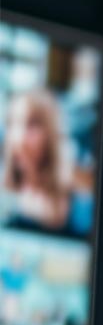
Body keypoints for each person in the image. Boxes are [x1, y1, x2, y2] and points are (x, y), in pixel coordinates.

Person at [1, 90, 72, 232]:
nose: (19, 136)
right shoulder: (6, 182)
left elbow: (55, 216)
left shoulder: (69, 196)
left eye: (32, 125)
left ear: (50, 133)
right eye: (13, 123)